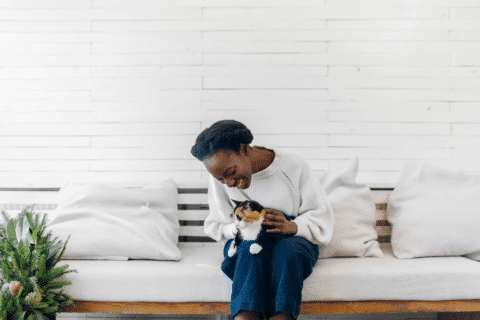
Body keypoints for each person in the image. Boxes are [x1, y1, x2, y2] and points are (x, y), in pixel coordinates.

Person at [191, 120, 334, 320]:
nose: (229, 183)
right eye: (221, 180)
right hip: (247, 237)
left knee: (287, 253)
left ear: (244, 149)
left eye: (231, 173)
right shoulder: (221, 175)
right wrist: (239, 228)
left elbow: (320, 217)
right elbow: (217, 224)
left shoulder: (293, 164)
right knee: (249, 252)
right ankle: (245, 316)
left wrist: (292, 226)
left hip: (292, 238)